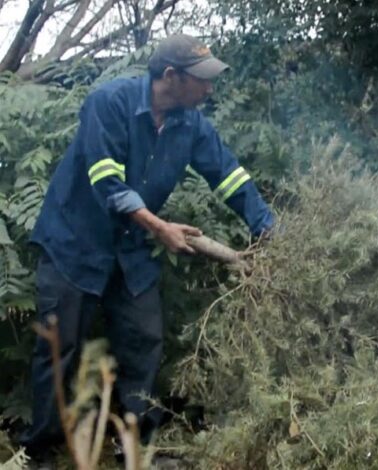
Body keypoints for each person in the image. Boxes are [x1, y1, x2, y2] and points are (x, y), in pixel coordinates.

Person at [19, 34, 275, 464]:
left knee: (144, 340)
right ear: (171, 77)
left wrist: (268, 228)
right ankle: (39, 451)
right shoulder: (110, 103)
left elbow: (230, 177)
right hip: (74, 242)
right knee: (60, 347)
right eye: (202, 80)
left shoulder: (191, 125)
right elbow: (107, 183)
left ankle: (135, 446)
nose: (209, 89)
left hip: (131, 248)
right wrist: (161, 228)